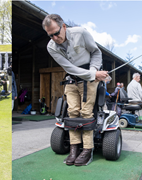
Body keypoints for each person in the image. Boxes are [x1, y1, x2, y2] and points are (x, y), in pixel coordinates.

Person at [44, 14, 107, 166]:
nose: (54, 38)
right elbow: (69, 68)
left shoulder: (81, 33)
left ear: (63, 26)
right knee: (72, 112)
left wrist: (93, 72)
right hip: (72, 77)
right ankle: (74, 149)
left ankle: (87, 150)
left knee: (86, 113)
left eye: (56, 33)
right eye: (50, 35)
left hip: (91, 76)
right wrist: (93, 74)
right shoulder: (51, 47)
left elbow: (96, 52)